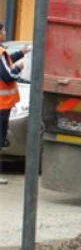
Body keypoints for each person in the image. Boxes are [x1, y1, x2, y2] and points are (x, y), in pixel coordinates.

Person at [0, 24, 31, 184]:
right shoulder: (1, 53)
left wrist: (21, 53)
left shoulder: (3, 54)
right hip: (2, 104)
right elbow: (7, 74)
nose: (5, 33)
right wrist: (19, 68)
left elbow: (7, 61)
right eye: (3, 30)